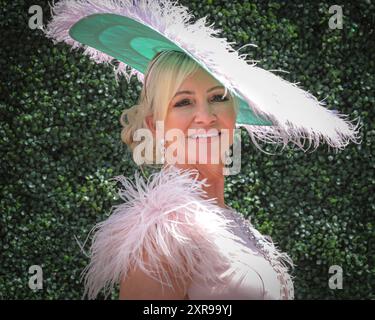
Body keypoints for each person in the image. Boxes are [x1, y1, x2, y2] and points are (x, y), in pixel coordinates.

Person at [43, 0, 361, 300]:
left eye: (218, 97)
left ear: (236, 114)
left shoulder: (228, 219)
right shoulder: (166, 233)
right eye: (183, 102)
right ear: (156, 126)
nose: (206, 116)